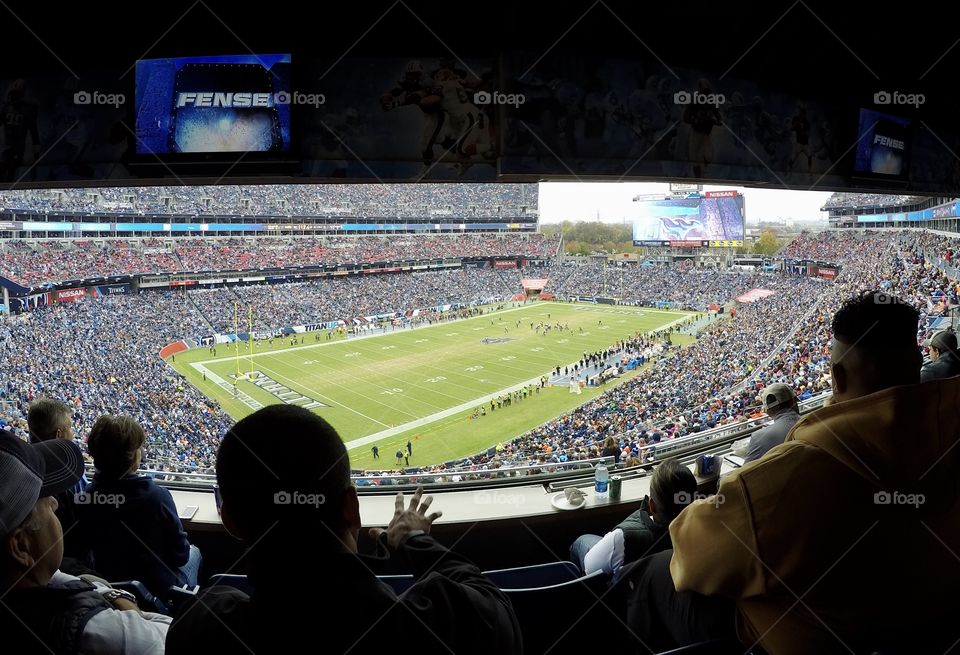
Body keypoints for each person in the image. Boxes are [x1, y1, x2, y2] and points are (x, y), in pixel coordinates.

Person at [624, 291, 960, 653]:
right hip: (927, 628)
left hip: (819, 639)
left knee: (652, 573)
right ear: (917, 360)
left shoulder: (798, 472)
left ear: (837, 376)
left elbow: (691, 556)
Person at [165, 405, 522, 654]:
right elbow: (498, 616)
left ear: (230, 522)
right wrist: (415, 540)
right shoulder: (444, 624)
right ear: (352, 509)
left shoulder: (199, 631)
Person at [0, 432, 172, 653]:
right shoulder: (100, 632)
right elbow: (177, 638)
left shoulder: (24, 581)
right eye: (44, 500)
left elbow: (56, 575)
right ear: (21, 547)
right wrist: (126, 606)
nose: (55, 504)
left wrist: (112, 593)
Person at [75, 415, 202, 597]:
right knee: (194, 552)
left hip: (112, 590)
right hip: (157, 592)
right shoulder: (157, 497)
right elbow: (180, 556)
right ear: (134, 455)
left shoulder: (86, 497)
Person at [570, 458, 697, 578]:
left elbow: (590, 568)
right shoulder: (702, 532)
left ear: (652, 505)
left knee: (581, 541)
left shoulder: (623, 537)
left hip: (625, 594)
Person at [26, 397, 91, 570]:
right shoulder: (70, 475)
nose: (73, 432)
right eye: (70, 427)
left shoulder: (20, 467)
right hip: (70, 563)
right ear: (59, 435)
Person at [744, 383, 801, 462]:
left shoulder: (758, 437)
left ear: (767, 411)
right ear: (793, 401)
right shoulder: (812, 422)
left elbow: (746, 472)